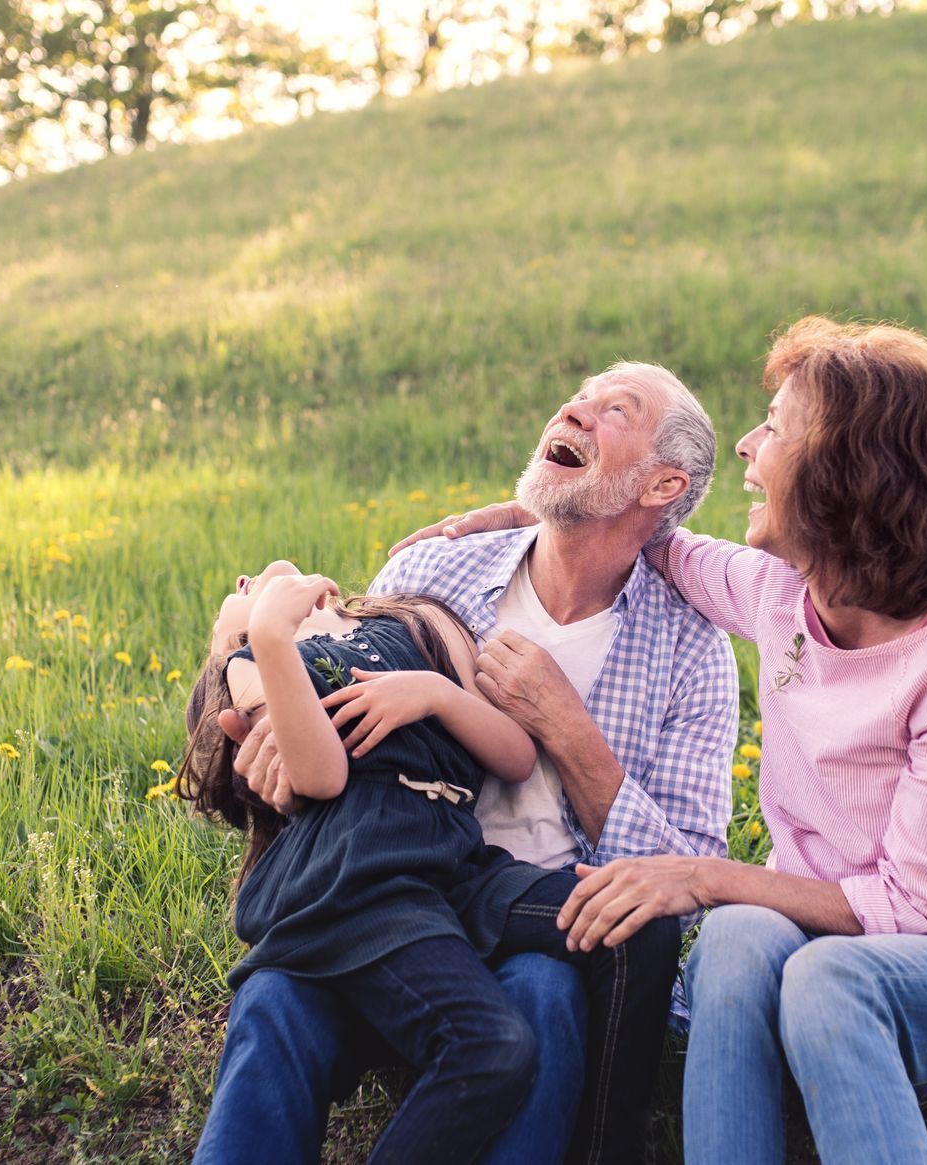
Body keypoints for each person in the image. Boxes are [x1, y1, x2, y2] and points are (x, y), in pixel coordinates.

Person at [395, 319, 927, 1165]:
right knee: (733, 936)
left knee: (826, 979)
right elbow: (653, 536)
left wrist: (700, 874)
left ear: (849, 472)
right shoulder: (783, 593)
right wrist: (530, 513)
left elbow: (917, 912)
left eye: (775, 428)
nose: (752, 450)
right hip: (833, 940)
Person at [195, 362, 740, 1165]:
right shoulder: (430, 571)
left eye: (613, 409)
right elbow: (312, 703)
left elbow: (686, 881)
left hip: (526, 920)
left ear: (662, 483)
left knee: (541, 999)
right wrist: (266, 730)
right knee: (277, 996)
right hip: (388, 892)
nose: (576, 408)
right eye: (580, 396)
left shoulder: (691, 651)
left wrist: (571, 732)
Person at [180, 564, 680, 1165]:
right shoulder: (259, 662)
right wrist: (263, 635)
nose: (239, 581)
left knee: (639, 920)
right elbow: (320, 774)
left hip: (452, 863)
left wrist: (434, 692)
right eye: (225, 620)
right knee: (486, 1046)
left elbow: (517, 757)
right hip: (367, 859)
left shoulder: (413, 620)